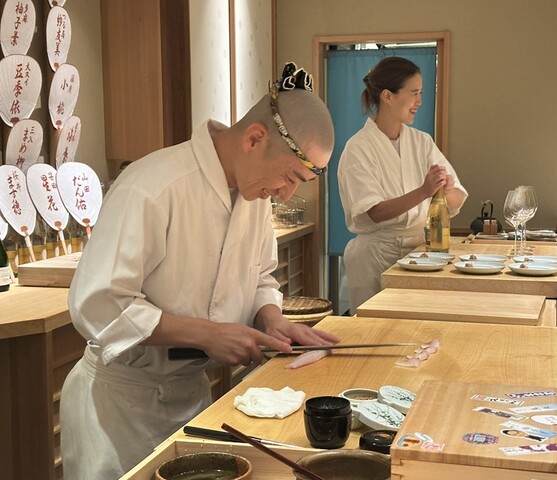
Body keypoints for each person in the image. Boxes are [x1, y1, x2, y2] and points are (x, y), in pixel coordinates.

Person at [60, 63, 338, 479]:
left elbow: (261, 276)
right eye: (289, 177)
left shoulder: (254, 195)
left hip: (191, 395)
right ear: (255, 139)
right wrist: (208, 335)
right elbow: (101, 304)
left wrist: (272, 319)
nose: (287, 193)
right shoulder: (154, 185)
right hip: (119, 406)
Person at [338, 56, 468, 312]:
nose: (419, 102)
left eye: (421, 94)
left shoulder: (422, 142)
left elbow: (455, 201)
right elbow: (374, 212)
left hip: (419, 252)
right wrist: (424, 191)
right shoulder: (358, 148)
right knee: (374, 327)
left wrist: (447, 188)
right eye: (414, 93)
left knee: (416, 326)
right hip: (375, 255)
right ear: (388, 96)